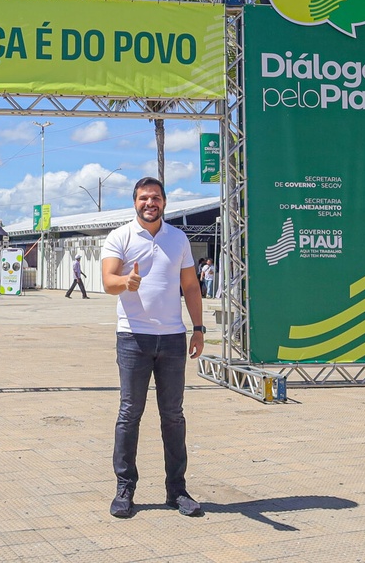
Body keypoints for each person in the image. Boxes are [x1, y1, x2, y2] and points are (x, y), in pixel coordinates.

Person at [102, 177, 205, 519]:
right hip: (133, 338)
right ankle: (124, 489)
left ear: (164, 202)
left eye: (156, 198)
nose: (151, 203)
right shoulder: (120, 236)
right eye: (144, 198)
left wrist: (199, 329)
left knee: (173, 416)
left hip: (174, 339)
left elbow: (190, 287)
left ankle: (177, 490)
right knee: (130, 413)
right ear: (135, 202)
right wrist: (125, 282)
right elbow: (107, 282)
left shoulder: (178, 238)